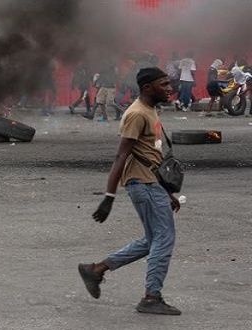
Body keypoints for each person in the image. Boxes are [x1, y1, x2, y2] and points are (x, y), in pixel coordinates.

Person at [78, 67, 182, 315]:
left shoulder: (149, 110)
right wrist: (109, 197)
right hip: (142, 184)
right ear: (147, 88)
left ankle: (96, 270)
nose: (170, 88)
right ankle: (151, 297)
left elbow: (149, 155)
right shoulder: (136, 114)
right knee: (164, 238)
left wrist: (166, 192)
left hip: (151, 183)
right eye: (164, 84)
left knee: (152, 240)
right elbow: (121, 156)